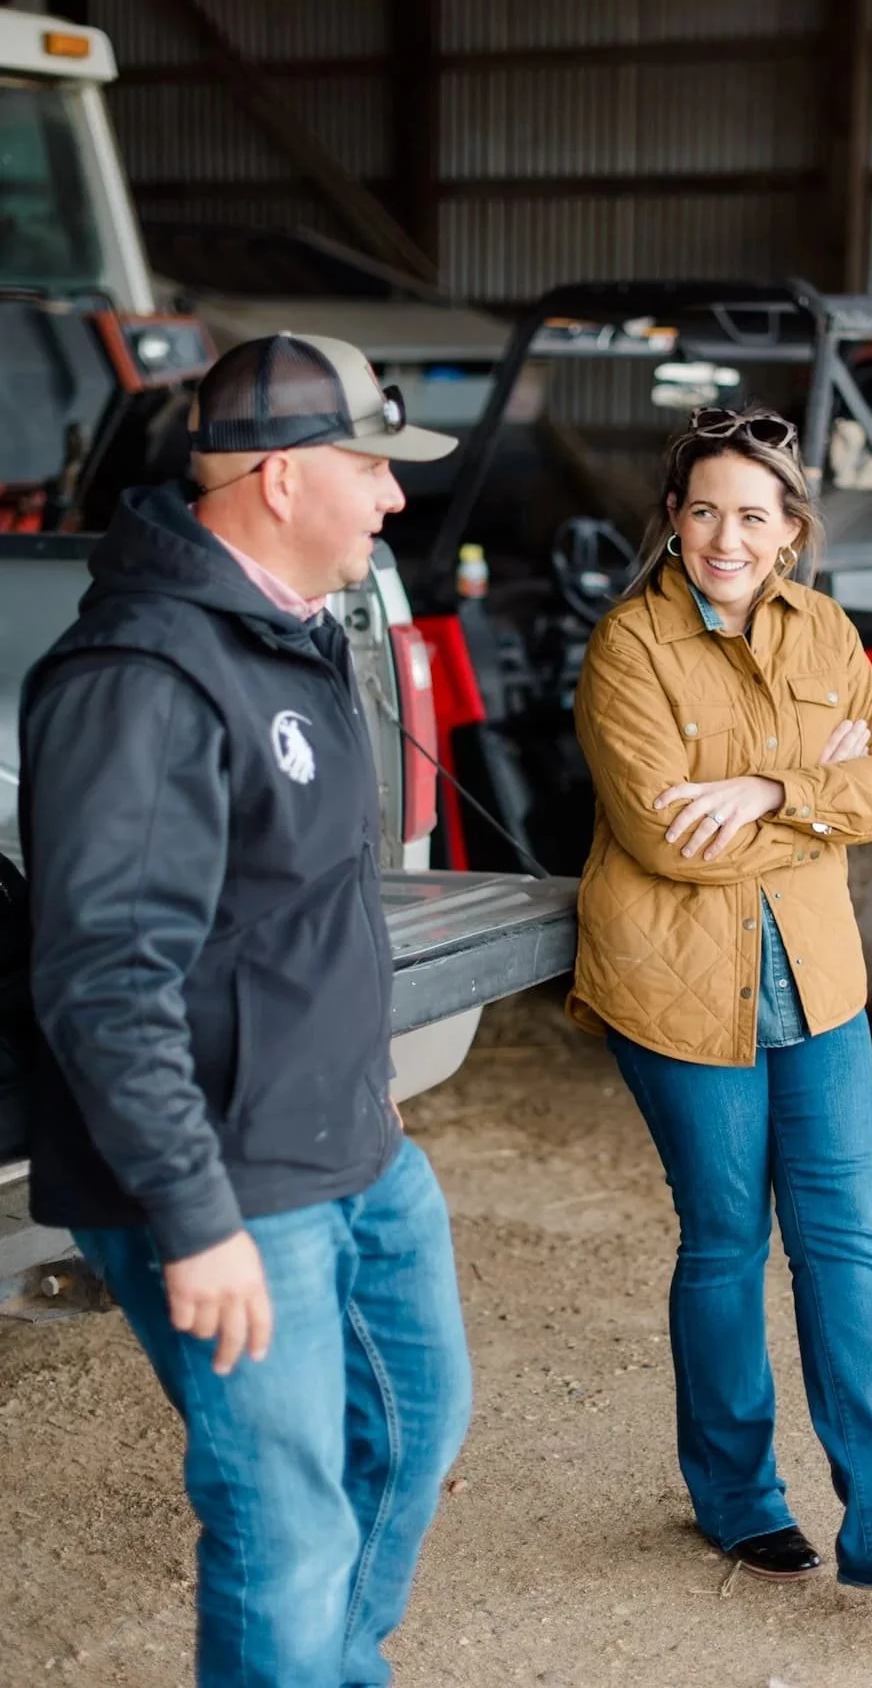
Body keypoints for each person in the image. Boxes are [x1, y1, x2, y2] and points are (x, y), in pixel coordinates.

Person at [19, 334, 473, 1687]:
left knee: (418, 1417)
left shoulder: (290, 633)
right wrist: (194, 1210)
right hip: (221, 1175)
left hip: (342, 1130)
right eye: (371, 465)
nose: (393, 498)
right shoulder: (140, 675)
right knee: (282, 1514)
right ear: (281, 476)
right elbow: (105, 969)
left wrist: (362, 1064)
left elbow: (304, 904)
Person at [568, 405, 872, 1606]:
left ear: (791, 529)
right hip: (682, 990)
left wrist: (759, 787)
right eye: (702, 512)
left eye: (751, 514)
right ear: (674, 523)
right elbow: (662, 838)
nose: (724, 536)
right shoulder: (628, 649)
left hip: (820, 984)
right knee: (728, 1243)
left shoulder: (826, 630)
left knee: (843, 1245)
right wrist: (818, 799)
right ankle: (740, 1501)